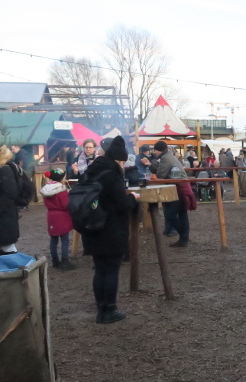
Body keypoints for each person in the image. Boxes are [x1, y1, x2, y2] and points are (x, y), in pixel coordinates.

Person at [80, 136, 140, 324]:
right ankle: (110, 310)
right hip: (111, 229)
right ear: (117, 159)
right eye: (122, 162)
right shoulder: (112, 174)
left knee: (99, 270)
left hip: (92, 226)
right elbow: (122, 205)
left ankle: (101, 309)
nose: (123, 165)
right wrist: (133, 198)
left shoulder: (91, 170)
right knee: (111, 270)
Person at [149, 140, 193, 247]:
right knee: (182, 214)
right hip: (182, 186)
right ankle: (184, 238)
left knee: (170, 214)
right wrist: (151, 165)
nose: (155, 152)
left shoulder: (165, 158)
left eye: (155, 150)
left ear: (158, 150)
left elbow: (160, 175)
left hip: (178, 188)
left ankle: (183, 235)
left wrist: (152, 165)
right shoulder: (170, 156)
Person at [40, 168, 76, 270]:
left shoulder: (46, 189)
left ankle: (55, 261)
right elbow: (65, 204)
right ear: (62, 178)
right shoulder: (62, 189)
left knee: (53, 239)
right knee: (64, 239)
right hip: (62, 216)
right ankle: (65, 260)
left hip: (51, 215)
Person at [0, 144, 19, 256]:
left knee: (7, 246)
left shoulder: (4, 169)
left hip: (4, 217)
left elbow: (10, 193)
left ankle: (16, 267)